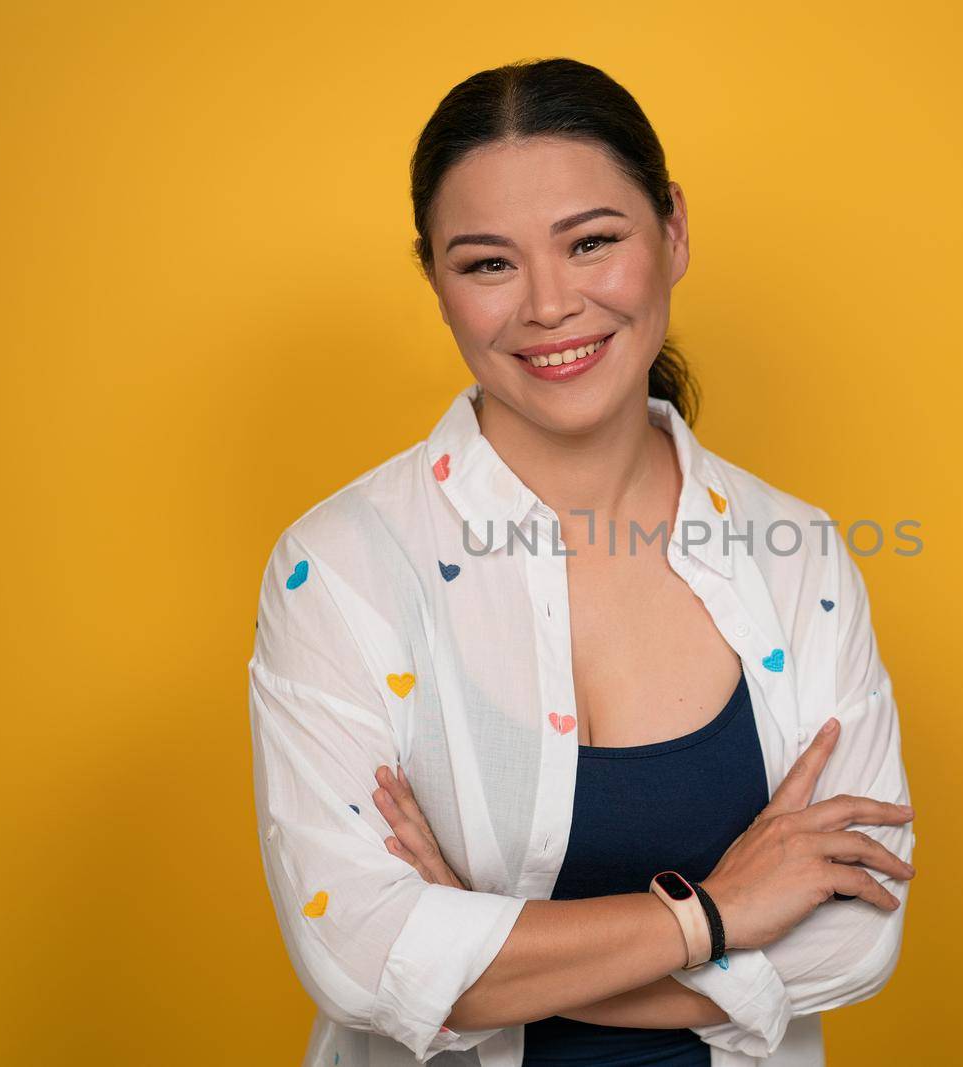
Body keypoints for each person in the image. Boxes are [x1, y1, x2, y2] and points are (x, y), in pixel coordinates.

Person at [247, 57, 917, 1067]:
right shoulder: (339, 568)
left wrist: (477, 946)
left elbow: (856, 935)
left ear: (673, 231)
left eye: (592, 242)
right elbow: (357, 956)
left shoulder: (799, 556)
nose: (550, 305)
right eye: (487, 264)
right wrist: (720, 914)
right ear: (436, 281)